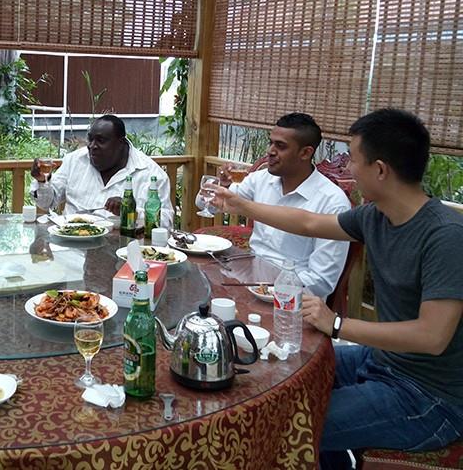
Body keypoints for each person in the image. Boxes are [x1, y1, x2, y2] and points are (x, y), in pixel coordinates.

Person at [213, 109, 463, 468]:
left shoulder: (445, 236)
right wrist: (242, 204)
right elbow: (308, 222)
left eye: (354, 160)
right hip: (380, 359)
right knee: (273, 372)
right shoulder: (376, 216)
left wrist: (337, 325)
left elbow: (432, 336)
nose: (348, 170)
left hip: (427, 395)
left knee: (287, 420)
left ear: (380, 170)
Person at [216, 113, 351, 298]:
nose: (270, 151)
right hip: (251, 279)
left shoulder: (332, 203)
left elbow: (321, 282)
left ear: (305, 153)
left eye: (280, 146)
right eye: (270, 143)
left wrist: (272, 289)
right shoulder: (261, 179)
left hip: (295, 298)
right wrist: (222, 187)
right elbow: (212, 204)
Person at [30, 115, 174, 228]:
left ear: (121, 143)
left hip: (122, 249)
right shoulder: (74, 161)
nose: (92, 146)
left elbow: (165, 224)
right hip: (73, 247)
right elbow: (47, 203)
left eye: (101, 140)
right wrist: (42, 181)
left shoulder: (151, 174)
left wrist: (130, 211)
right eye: (90, 140)